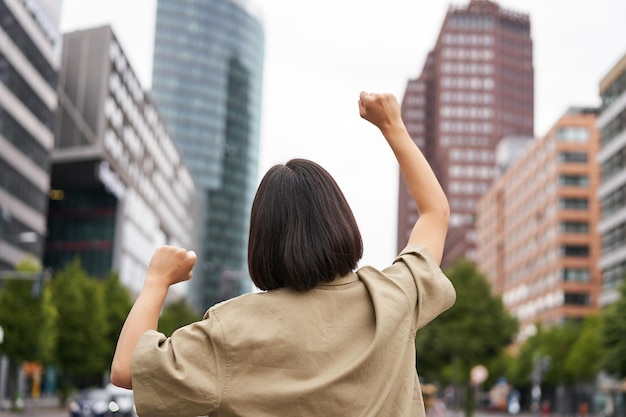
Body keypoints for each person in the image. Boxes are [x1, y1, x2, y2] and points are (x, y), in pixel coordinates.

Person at [110, 92, 456, 417]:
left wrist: (157, 281)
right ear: (340, 221)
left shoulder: (230, 330)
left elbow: (127, 369)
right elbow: (434, 213)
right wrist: (392, 126)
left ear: (262, 240)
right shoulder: (392, 297)